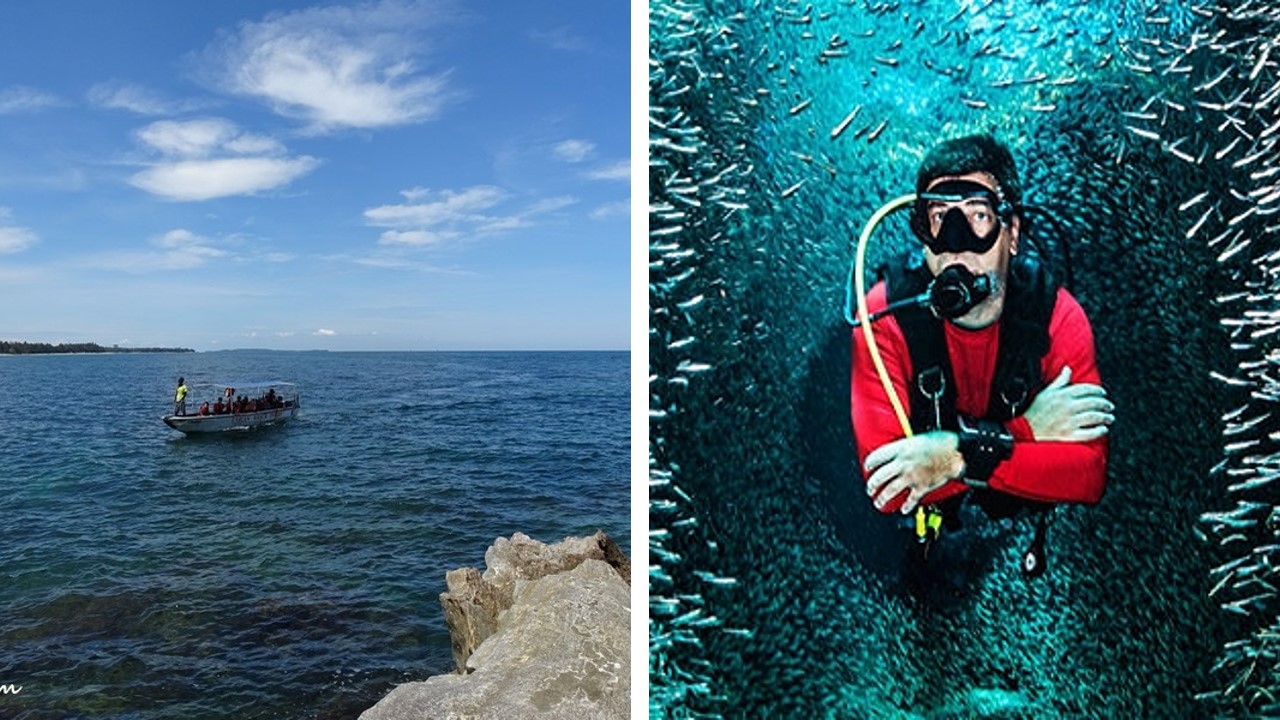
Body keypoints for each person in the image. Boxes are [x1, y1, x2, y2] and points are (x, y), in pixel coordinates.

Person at [850, 134, 1113, 573]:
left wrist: (952, 457)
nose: (957, 244)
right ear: (922, 233)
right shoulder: (882, 316)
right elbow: (889, 490)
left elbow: (1088, 475)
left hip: (1001, 499)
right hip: (931, 507)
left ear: (1011, 233)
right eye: (939, 219)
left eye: (978, 216)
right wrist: (1027, 432)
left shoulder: (1058, 316)